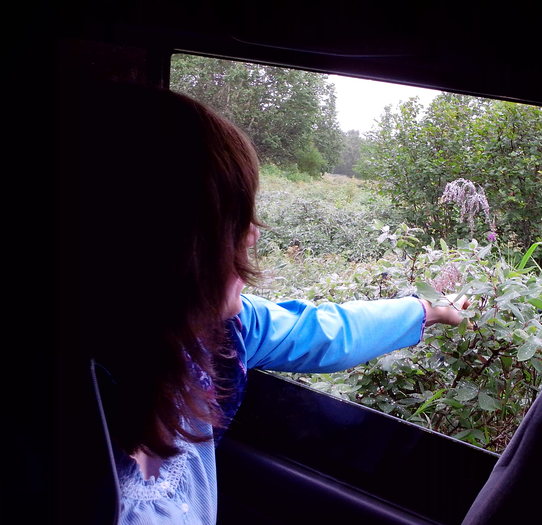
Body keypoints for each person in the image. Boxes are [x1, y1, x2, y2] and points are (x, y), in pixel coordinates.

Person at [62, 80, 468, 524]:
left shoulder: (223, 334)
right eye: (231, 218)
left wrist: (426, 310)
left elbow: (327, 332)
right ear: (162, 241)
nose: (253, 234)